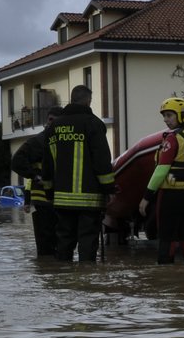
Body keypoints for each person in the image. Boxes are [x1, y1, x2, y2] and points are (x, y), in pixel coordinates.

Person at [46, 85, 115, 262]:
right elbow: (101, 160)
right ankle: (86, 281)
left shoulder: (54, 127)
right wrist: (109, 189)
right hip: (89, 199)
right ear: (88, 101)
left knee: (64, 241)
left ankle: (63, 281)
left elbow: (47, 163)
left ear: (72, 99)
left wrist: (48, 192)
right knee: (88, 242)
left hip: (61, 199)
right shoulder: (93, 124)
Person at [140, 97, 184, 264]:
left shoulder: (172, 139)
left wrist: (146, 197)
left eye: (169, 115)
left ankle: (167, 278)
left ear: (182, 115)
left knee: (167, 236)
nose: (166, 120)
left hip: (171, 196)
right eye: (164, 116)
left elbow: (161, 170)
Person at [11, 106, 63, 257]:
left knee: (60, 247)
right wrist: (35, 176)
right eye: (50, 120)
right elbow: (17, 162)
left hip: (61, 201)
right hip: (44, 201)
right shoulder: (37, 142)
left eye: (55, 121)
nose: (51, 124)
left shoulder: (62, 141)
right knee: (48, 247)